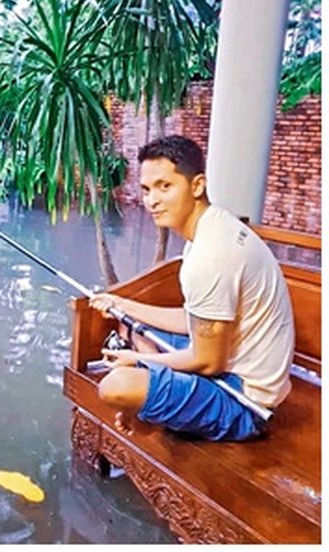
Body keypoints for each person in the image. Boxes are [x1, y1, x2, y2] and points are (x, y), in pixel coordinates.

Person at [89, 135, 295, 442]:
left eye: (165, 186)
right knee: (127, 323)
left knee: (116, 386)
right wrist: (122, 304)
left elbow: (208, 362)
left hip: (243, 402)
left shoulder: (210, 257)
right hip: (228, 362)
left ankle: (153, 402)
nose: (152, 200)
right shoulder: (213, 227)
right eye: (146, 189)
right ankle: (157, 395)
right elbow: (194, 321)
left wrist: (139, 362)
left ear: (196, 186)